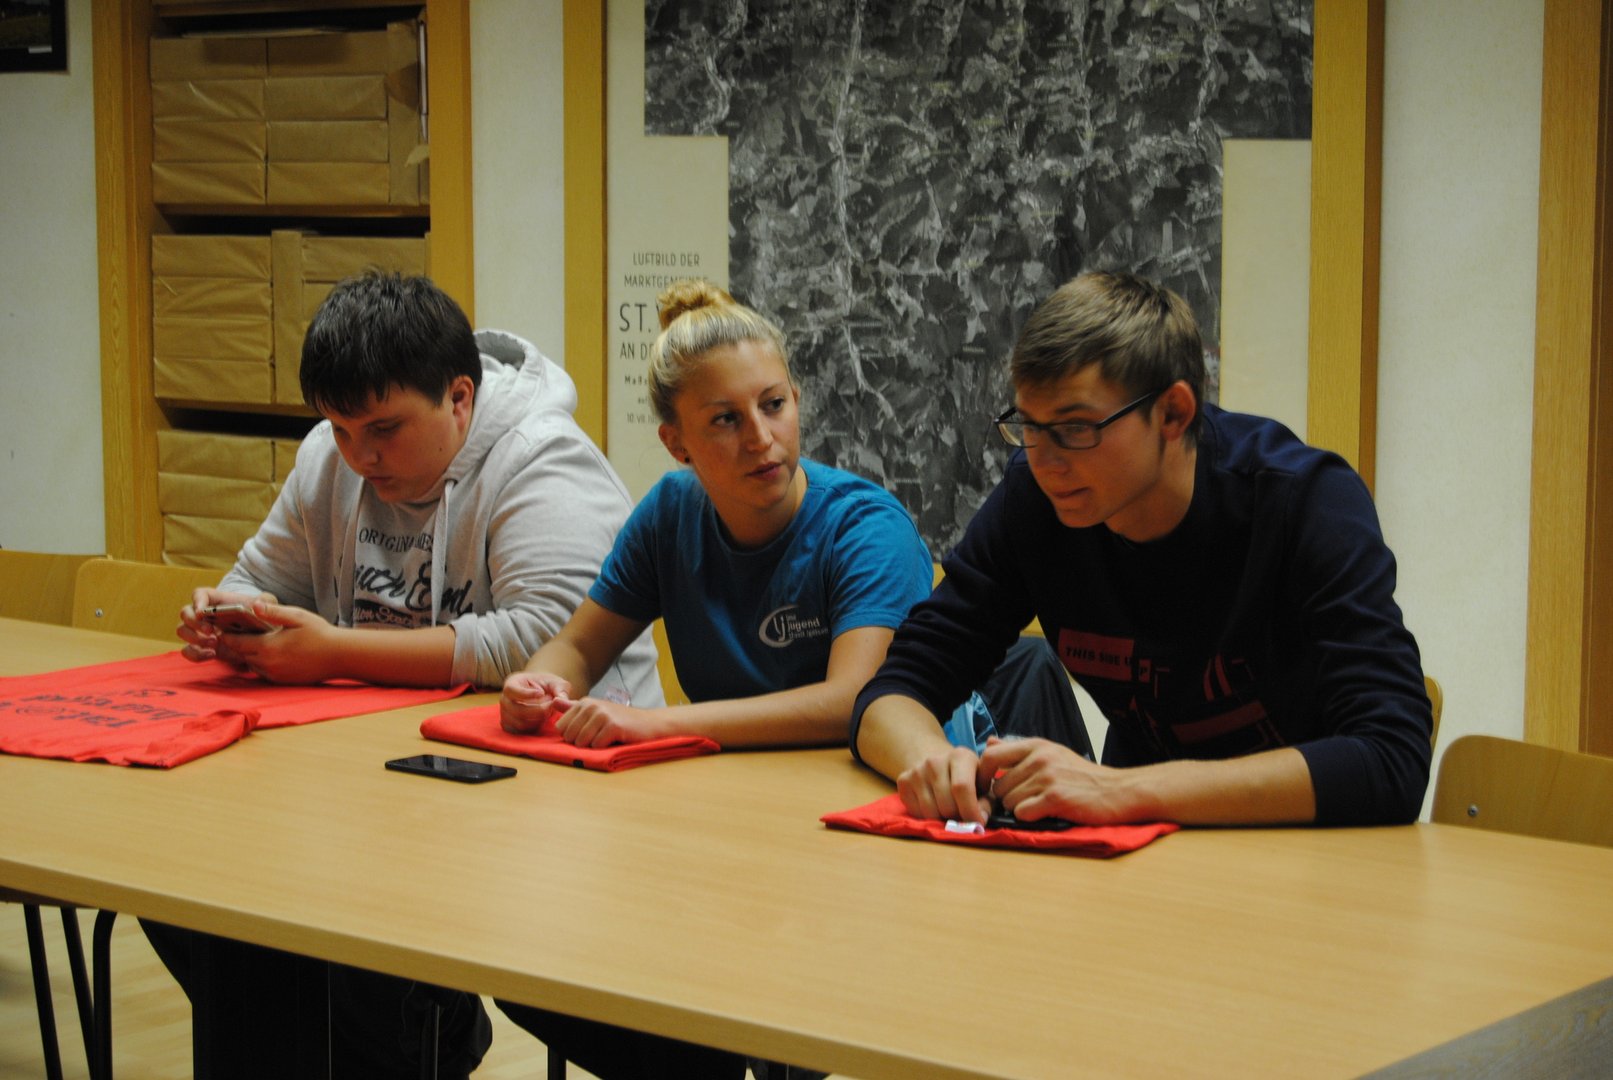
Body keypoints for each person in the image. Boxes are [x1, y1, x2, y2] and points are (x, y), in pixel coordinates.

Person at [146, 270, 661, 1079]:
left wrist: (335, 651)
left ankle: (425, 1029)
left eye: (384, 429)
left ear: (459, 397)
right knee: (188, 882)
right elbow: (261, 577)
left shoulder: (543, 461)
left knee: (310, 924)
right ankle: (398, 1033)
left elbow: (549, 642)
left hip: (548, 792)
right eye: (341, 430)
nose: (361, 456)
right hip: (378, 778)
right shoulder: (330, 458)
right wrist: (231, 612)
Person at [494, 279, 935, 1079]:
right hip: (738, 830)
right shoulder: (670, 510)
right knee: (557, 957)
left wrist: (655, 724)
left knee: (766, 997)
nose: (760, 438)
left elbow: (854, 704)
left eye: (773, 405)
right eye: (724, 420)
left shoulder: (865, 526)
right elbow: (576, 648)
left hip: (880, 836)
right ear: (677, 444)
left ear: (797, 401)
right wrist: (537, 684)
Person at [852, 269, 1432, 830]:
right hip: (1137, 847)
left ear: (1173, 413)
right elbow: (893, 691)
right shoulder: (1034, 503)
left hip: (1311, 854)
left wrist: (1118, 790)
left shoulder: (1304, 501)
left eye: (1075, 428)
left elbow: (1391, 758)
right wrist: (935, 763)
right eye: (1028, 426)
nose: (1045, 462)